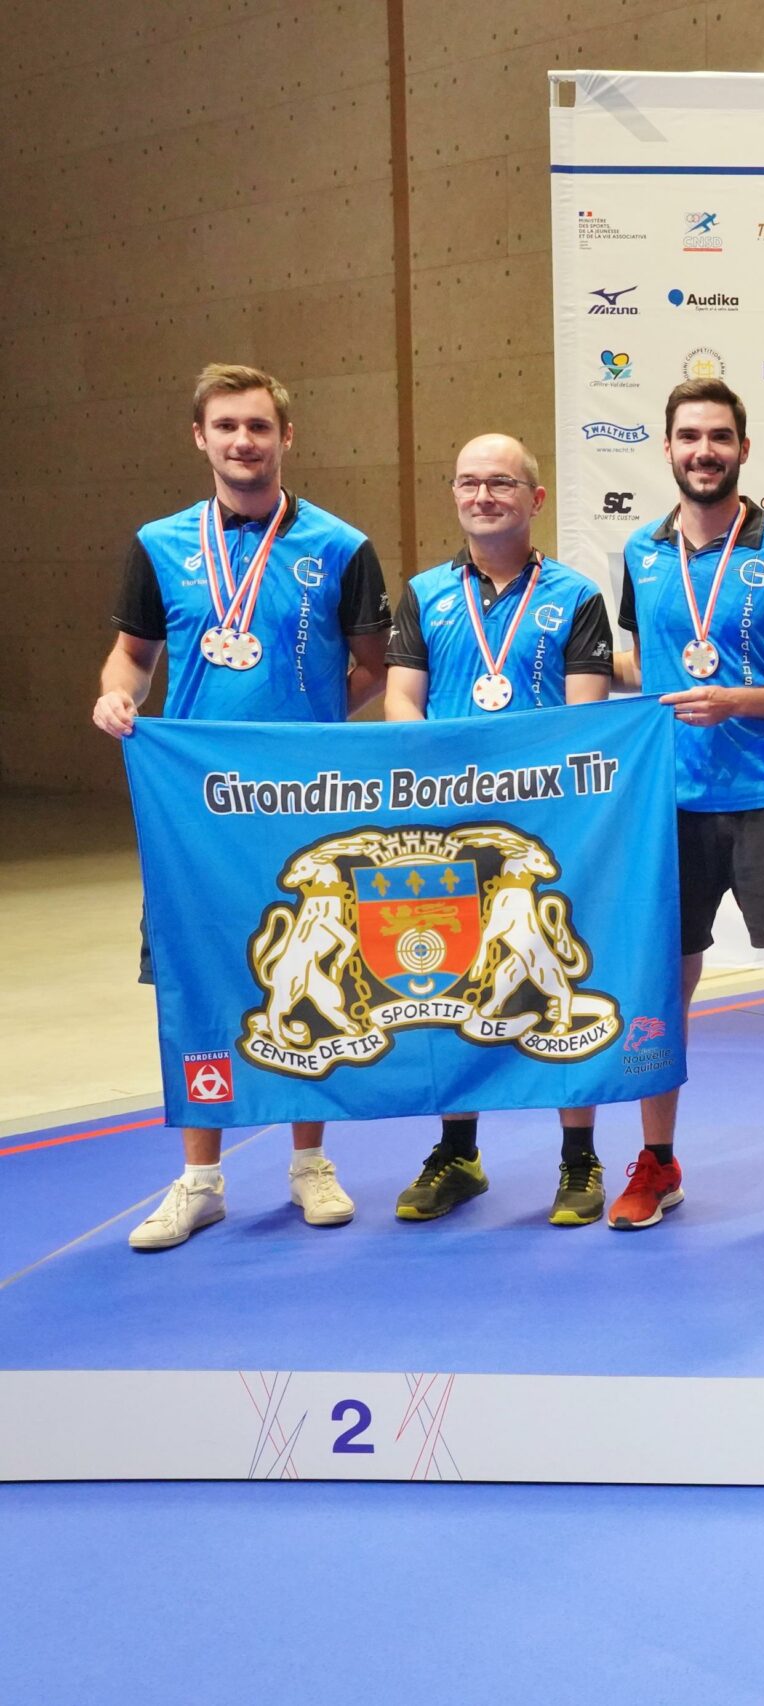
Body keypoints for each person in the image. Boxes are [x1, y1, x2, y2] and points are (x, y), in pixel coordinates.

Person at [98, 364, 390, 1251]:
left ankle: (310, 1162)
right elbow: (132, 656)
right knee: (198, 981)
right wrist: (115, 696)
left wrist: (303, 739)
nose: (243, 441)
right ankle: (200, 1179)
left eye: (259, 426)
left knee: (314, 974)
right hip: (195, 815)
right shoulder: (159, 544)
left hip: (303, 805)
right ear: (200, 437)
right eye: (225, 425)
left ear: (285, 437)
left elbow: (374, 666)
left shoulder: (341, 545)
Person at [606, 378, 764, 1230]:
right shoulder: (642, 553)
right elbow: (650, 665)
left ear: (744, 449)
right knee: (661, 988)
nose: (703, 451)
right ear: (667, 448)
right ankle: (658, 1161)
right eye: (689, 437)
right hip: (667, 808)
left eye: (719, 437)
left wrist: (740, 700)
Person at [381, 434, 616, 1227]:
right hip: (446, 829)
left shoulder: (576, 596)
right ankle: (458, 1153)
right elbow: (401, 700)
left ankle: (579, 1159)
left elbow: (584, 718)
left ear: (535, 499)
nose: (483, 496)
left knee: (558, 989)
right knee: (445, 987)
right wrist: (439, 775)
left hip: (543, 829)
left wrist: (523, 783)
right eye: (469, 482)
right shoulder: (424, 593)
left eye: (502, 483)